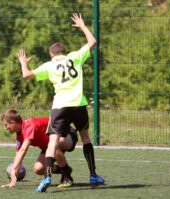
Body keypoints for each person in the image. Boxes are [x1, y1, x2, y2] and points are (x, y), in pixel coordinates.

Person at [17, 13, 105, 192]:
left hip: (60, 106)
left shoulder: (49, 66)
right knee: (86, 137)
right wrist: (82, 26)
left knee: (52, 143)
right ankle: (93, 174)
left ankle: (47, 178)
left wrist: (23, 63)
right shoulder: (75, 57)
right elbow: (93, 41)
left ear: (52, 54)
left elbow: (26, 75)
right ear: (64, 52)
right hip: (78, 104)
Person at [0, 109, 78, 188]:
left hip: (67, 134)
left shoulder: (29, 126)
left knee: (55, 145)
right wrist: (13, 178)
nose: (5, 128)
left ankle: (67, 178)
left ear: (12, 123)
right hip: (49, 146)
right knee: (38, 169)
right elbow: (18, 155)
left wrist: (13, 172)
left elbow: (23, 150)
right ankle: (65, 169)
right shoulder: (19, 134)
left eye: (6, 125)